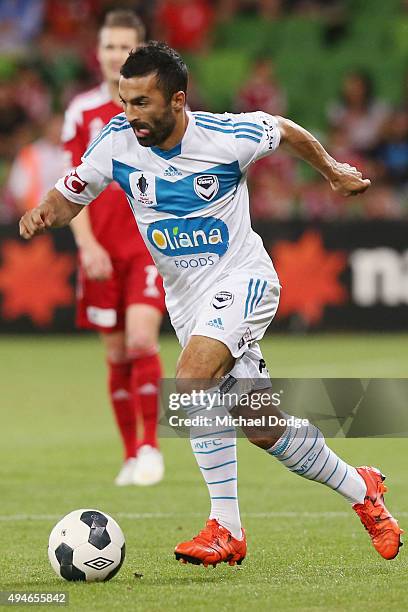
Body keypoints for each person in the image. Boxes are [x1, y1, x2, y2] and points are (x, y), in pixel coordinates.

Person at [20, 42, 402, 567]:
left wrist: (333, 170)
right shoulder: (115, 143)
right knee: (262, 424)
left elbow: (284, 130)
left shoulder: (224, 137)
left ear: (177, 100)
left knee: (191, 378)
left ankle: (226, 526)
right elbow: (73, 193)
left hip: (243, 279)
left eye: (142, 103)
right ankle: (362, 489)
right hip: (188, 302)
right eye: (124, 101)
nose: (130, 115)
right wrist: (45, 211)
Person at [62, 12, 166, 487]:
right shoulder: (81, 113)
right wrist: (86, 245)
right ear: (98, 53)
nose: (116, 54)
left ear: (140, 52)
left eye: (126, 46)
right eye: (109, 46)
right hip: (101, 250)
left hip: (149, 245)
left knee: (142, 340)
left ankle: (151, 448)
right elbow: (70, 187)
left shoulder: (160, 106)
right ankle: (129, 454)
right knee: (117, 355)